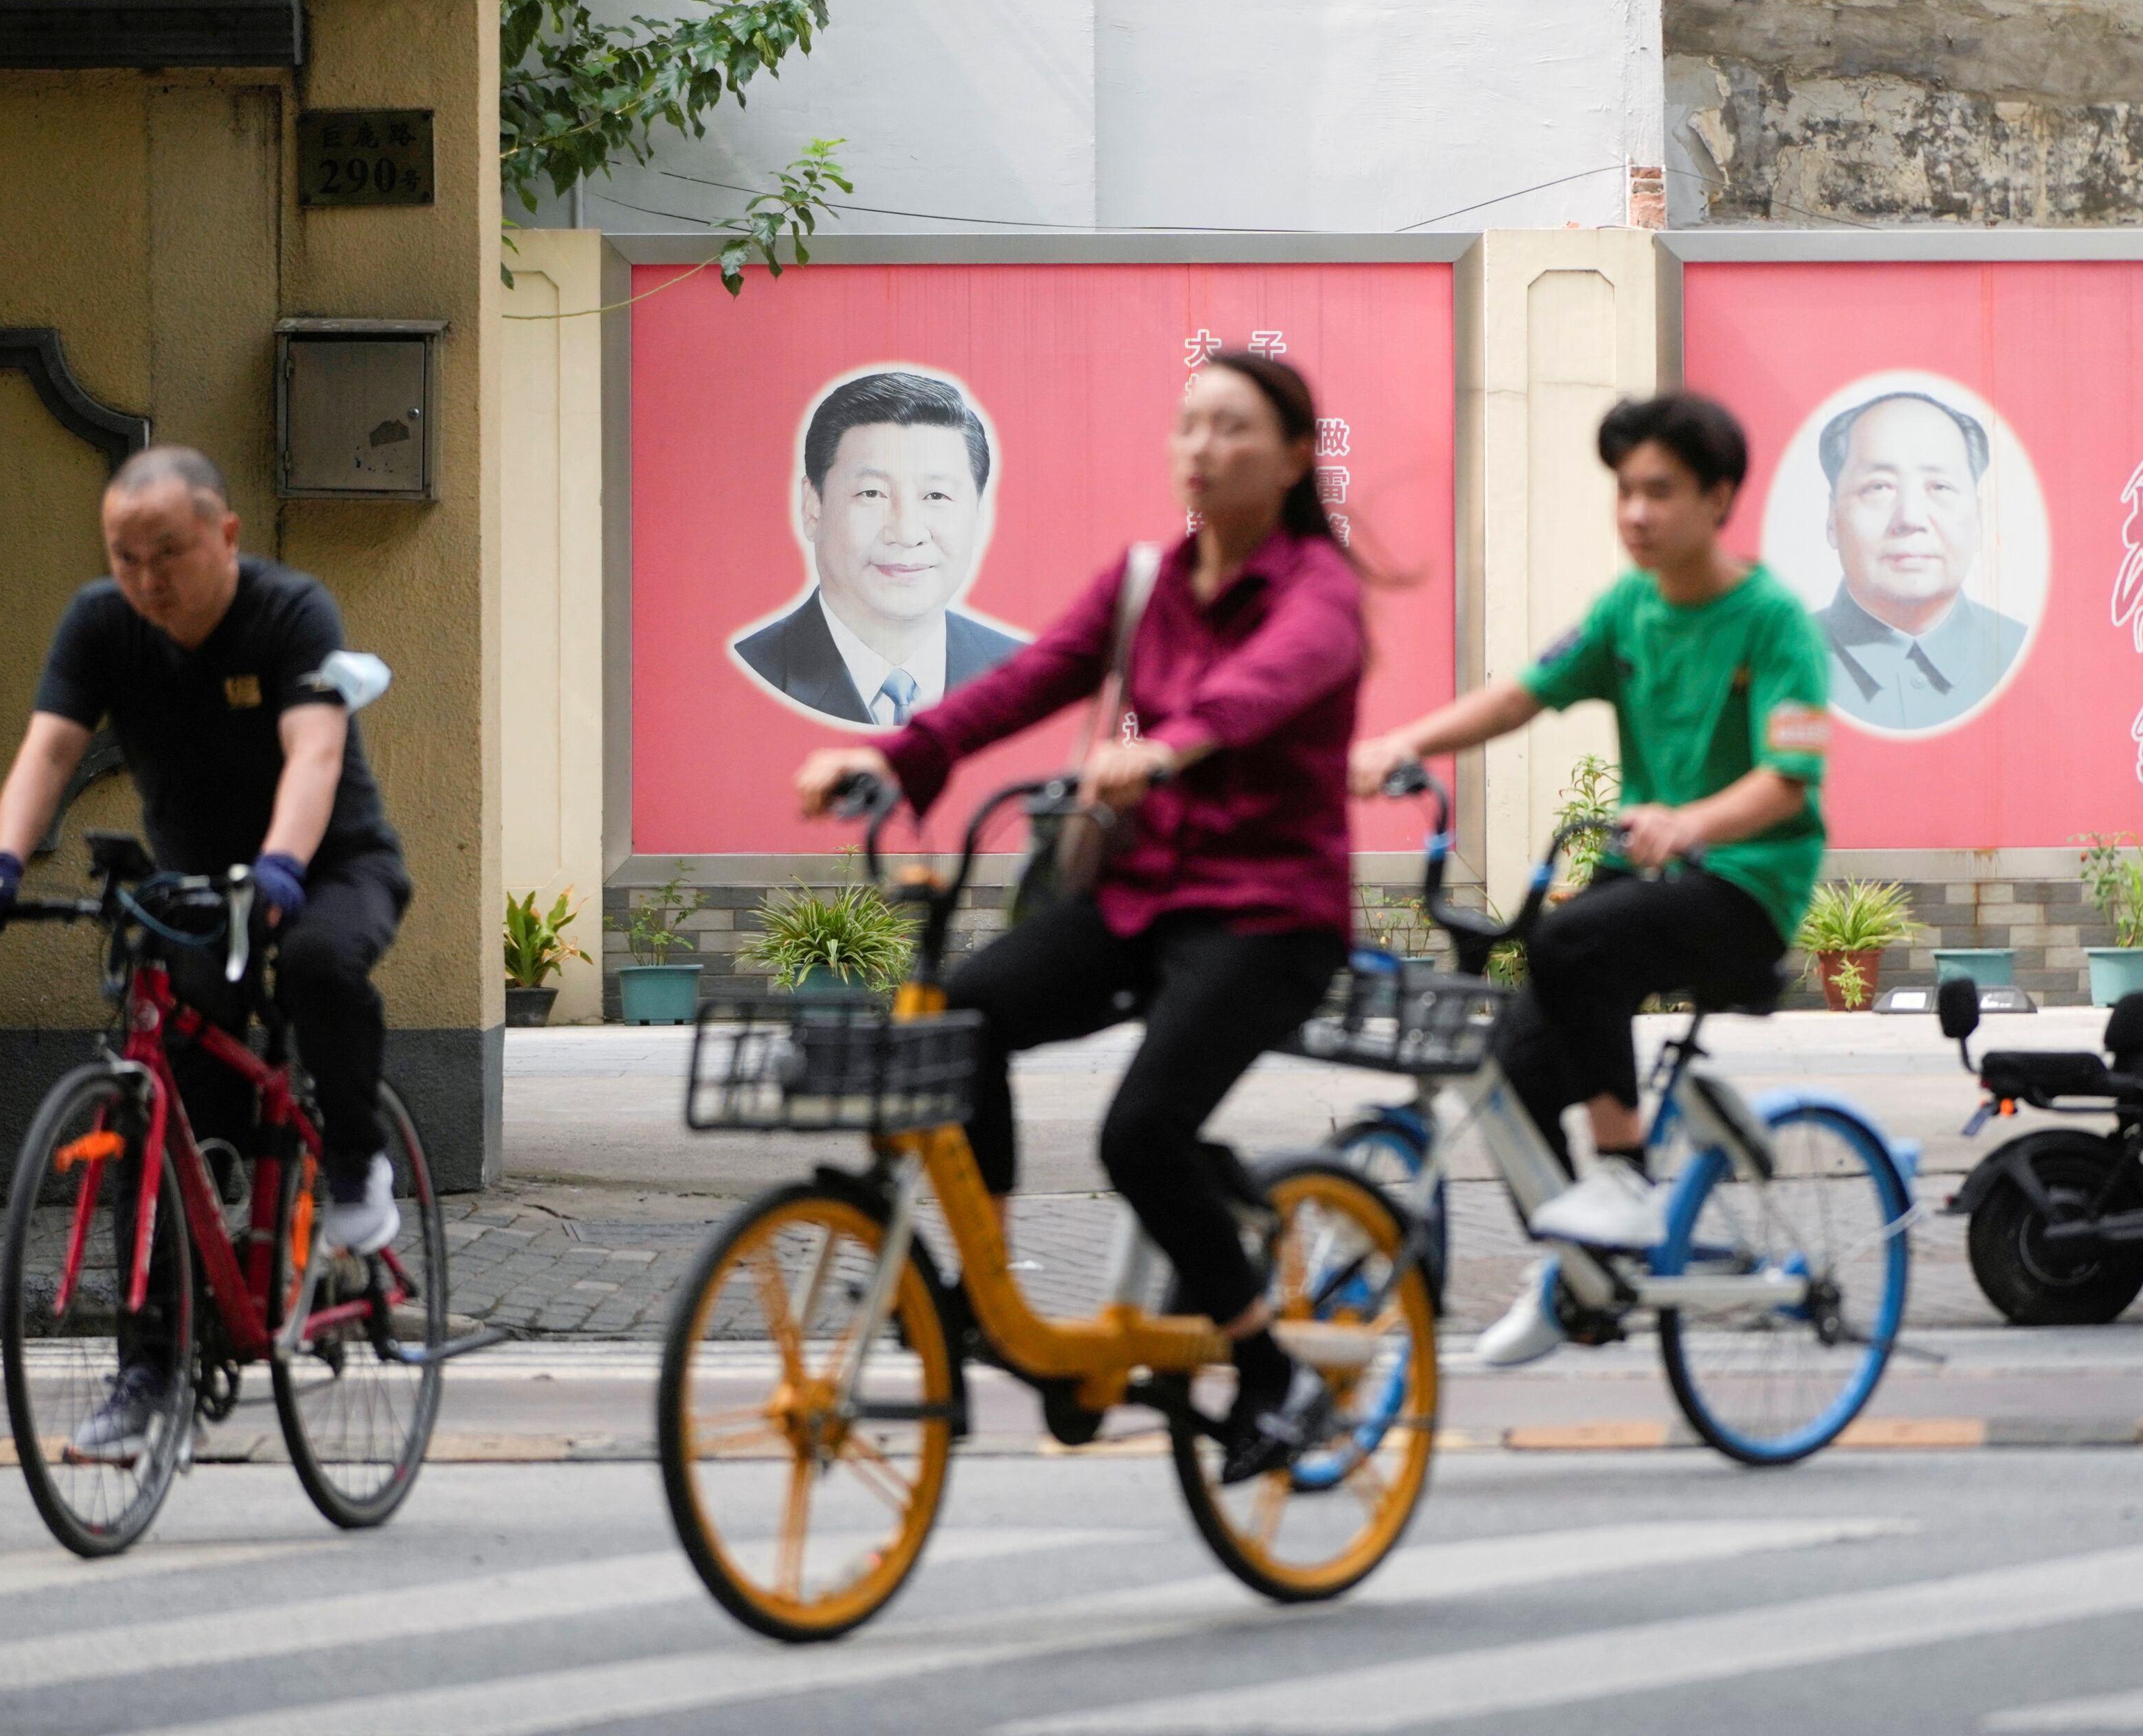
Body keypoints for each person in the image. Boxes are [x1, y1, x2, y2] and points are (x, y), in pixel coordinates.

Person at [794, 351, 1364, 1480]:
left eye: (1236, 427)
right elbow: (1035, 672)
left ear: (1297, 456)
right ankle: (990, 1293)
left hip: (1269, 919)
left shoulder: (1320, 588)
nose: (1204, 445)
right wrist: (896, 756)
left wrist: (1169, 743)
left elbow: (1271, 682)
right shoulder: (1147, 577)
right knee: (959, 1016)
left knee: (1138, 1130)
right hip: (1138, 897)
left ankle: (1272, 1370)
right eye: (1192, 422)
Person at [1350, 392, 1832, 1367]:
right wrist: (1405, 740)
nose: (1637, 513)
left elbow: (1790, 780)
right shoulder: (1628, 609)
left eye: (1661, 491)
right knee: (1513, 1070)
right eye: (1624, 492)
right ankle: (1582, 1276)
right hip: (1644, 877)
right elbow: (1522, 694)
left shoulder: (1775, 619)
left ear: (1719, 497)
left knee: (1574, 939)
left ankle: (1621, 1178)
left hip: (1744, 882)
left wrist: (1688, 820)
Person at [0, 446, 413, 1455]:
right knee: (150, 1100)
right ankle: (149, 1367)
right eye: (125, 556)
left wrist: (281, 869)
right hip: (193, 889)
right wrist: (2, 859)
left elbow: (316, 750)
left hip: (327, 864)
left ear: (224, 536)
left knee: (314, 967)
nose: (146, 578)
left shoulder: (290, 611)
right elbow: (48, 747)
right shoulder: (101, 623)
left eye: (167, 552)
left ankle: (353, 1164)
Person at [734, 370, 1023, 725]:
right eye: (872, 494)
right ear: (813, 507)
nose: (906, 533)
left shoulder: (1022, 677)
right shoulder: (744, 675)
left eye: (936, 495)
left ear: (978, 512)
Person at [1812, 388, 2028, 731]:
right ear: (1832, 517)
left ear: (1980, 518)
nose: (1910, 518)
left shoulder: (2023, 652)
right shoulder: (1790, 655)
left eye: (1939, 487)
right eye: (1879, 487)